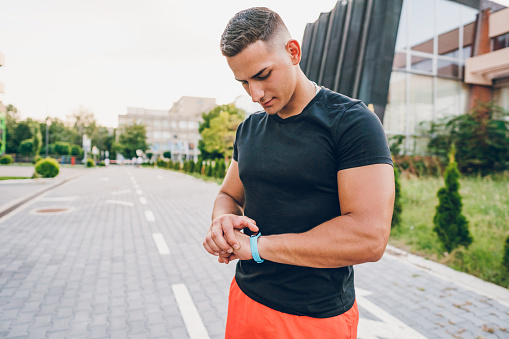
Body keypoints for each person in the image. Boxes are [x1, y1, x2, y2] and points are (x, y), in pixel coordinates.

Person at [203, 7, 395, 339]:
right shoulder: (248, 128)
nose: (255, 95)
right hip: (245, 300)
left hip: (314, 319)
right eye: (244, 82)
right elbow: (229, 194)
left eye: (263, 75)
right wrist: (222, 219)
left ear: (293, 52)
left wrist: (257, 248)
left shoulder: (352, 122)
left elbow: (369, 237)